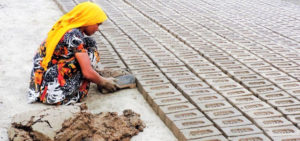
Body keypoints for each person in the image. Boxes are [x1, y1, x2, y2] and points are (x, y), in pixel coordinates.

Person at [28, 2, 117, 105]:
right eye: (97, 24)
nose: (98, 29)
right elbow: (87, 72)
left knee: (89, 42)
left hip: (40, 82)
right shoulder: (74, 36)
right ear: (88, 20)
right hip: (53, 91)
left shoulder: (65, 26)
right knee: (90, 52)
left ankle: (94, 74)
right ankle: (72, 92)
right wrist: (103, 82)